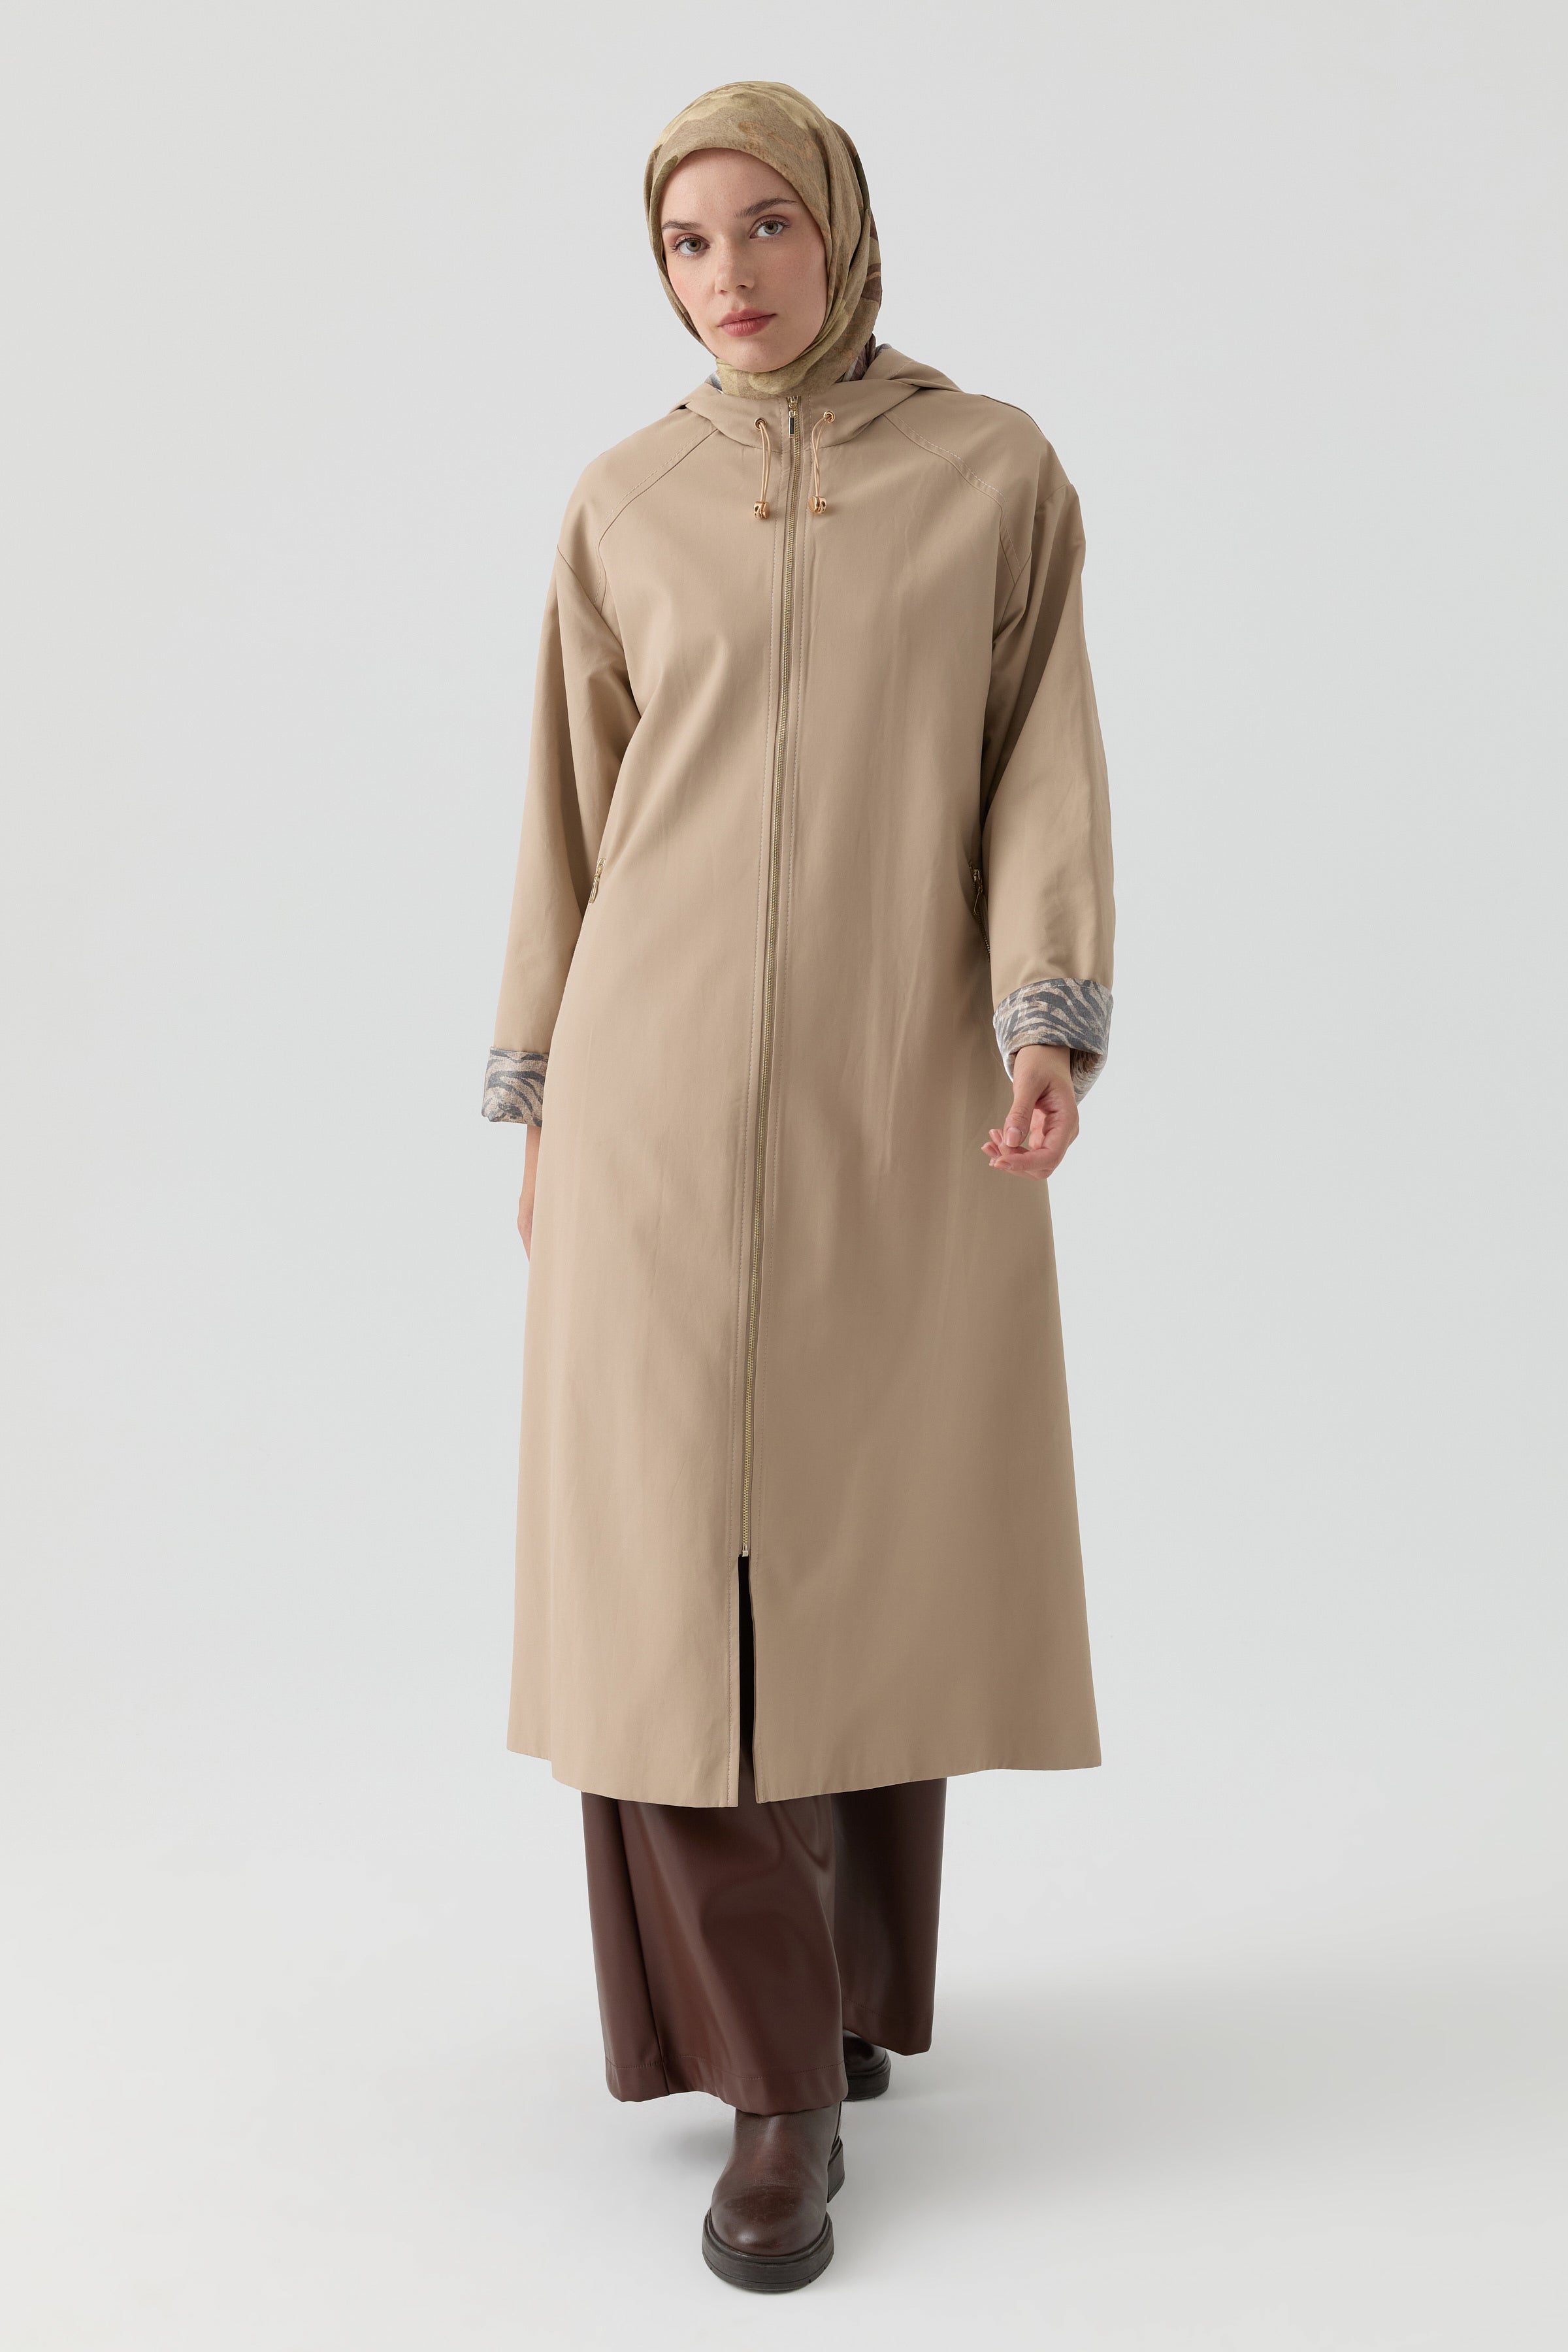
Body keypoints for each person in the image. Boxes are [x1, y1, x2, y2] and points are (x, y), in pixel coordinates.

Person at [482, 79, 1115, 2292]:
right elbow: (569, 814)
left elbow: (1041, 762)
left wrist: (1046, 1017)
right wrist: (541, 1094)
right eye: (687, 240)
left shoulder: (989, 473)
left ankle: (843, 2002)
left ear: (843, 227)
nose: (730, 275)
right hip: (650, 1106)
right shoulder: (626, 499)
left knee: (863, 1547)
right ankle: (773, 2090)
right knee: (656, 1583)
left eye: (768, 225)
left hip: (897, 1093)